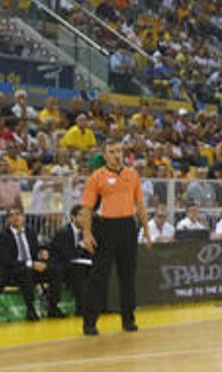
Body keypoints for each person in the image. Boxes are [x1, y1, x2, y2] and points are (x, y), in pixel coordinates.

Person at [80, 140, 151, 336]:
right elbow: (86, 208)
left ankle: (128, 319)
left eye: (119, 151)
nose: (116, 155)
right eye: (112, 151)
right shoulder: (97, 177)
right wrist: (87, 233)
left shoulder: (132, 174)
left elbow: (140, 205)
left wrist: (146, 230)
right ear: (105, 155)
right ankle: (90, 322)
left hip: (127, 226)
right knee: (99, 277)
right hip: (105, 227)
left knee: (127, 276)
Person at [0, 204, 60, 321]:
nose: (15, 218)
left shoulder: (30, 232)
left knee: (55, 269)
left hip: (31, 267)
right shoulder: (2, 236)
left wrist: (42, 253)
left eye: (18, 214)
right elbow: (6, 261)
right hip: (13, 270)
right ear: (8, 219)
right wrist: (31, 264)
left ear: (23, 217)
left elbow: (35, 251)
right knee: (25, 271)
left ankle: (53, 307)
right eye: (11, 215)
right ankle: (30, 309)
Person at [50, 204, 95, 318]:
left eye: (87, 216)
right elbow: (67, 255)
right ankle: (80, 308)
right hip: (62, 265)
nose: (85, 219)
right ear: (73, 217)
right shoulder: (63, 232)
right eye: (81, 216)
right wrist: (81, 246)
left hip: (80, 265)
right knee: (79, 270)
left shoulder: (88, 232)